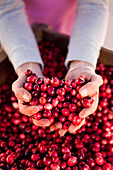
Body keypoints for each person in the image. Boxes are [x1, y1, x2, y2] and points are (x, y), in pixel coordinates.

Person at [0, 0, 109, 136]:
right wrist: (26, 64)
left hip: (76, 25)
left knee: (60, 41)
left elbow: (93, 4)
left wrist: (82, 63)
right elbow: (6, 7)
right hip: (17, 31)